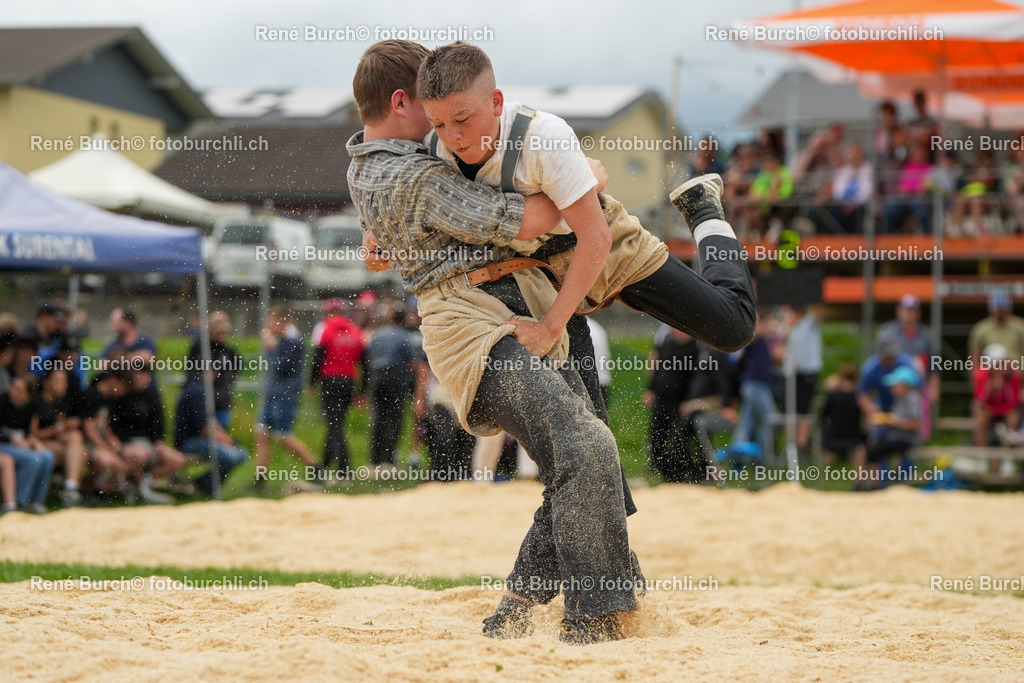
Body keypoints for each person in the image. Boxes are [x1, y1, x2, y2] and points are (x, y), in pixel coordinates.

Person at [348, 40, 753, 643]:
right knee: (591, 461)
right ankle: (564, 610)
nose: (447, 133)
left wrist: (579, 185)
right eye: (436, 120)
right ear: (411, 104)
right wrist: (580, 182)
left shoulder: (515, 138)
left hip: (595, 251)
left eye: (457, 117)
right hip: (535, 285)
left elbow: (581, 232)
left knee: (732, 327)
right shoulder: (421, 157)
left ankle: (707, 212)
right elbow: (514, 224)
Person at [255, 306, 317, 492]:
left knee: (284, 437)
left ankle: (314, 467)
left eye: (271, 321)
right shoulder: (281, 341)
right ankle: (260, 478)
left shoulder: (293, 342)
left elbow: (283, 367)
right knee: (262, 434)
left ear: (282, 322)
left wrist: (271, 348)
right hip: (271, 395)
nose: (268, 325)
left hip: (285, 397)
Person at [108, 363, 187, 504]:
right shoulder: (121, 395)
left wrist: (157, 441)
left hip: (149, 443)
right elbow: (115, 425)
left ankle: (143, 485)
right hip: (127, 443)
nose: (143, 377)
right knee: (141, 455)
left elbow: (158, 424)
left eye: (147, 374)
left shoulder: (152, 396)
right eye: (139, 373)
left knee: (178, 460)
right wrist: (124, 443)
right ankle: (131, 488)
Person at [309, 299, 365, 473]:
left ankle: (345, 468)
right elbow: (365, 362)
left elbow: (317, 358)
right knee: (336, 422)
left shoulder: (325, 329)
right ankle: (325, 464)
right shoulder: (355, 331)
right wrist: (362, 391)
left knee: (334, 424)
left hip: (330, 381)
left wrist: (311, 383)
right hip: (348, 381)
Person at [365, 308, 423, 469]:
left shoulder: (377, 334)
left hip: (376, 377)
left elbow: (367, 357)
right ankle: (389, 460)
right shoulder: (402, 335)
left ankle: (374, 459)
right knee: (394, 420)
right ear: (403, 321)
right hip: (395, 378)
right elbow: (413, 362)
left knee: (378, 419)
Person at [173, 375, 249, 495]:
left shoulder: (199, 388)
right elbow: (205, 428)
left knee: (240, 454)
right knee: (234, 456)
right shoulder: (197, 391)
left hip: (197, 440)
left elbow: (211, 422)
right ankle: (201, 486)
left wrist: (228, 440)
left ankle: (200, 485)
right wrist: (230, 442)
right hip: (189, 442)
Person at [644, 326, 701, 482]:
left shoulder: (696, 349)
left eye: (680, 330)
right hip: (662, 398)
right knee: (656, 436)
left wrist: (689, 401)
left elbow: (697, 379)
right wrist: (650, 389)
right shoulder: (667, 344)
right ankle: (662, 470)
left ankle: (682, 472)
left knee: (678, 438)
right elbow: (657, 369)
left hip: (680, 401)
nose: (677, 332)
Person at [855, 366, 922, 488]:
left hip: (905, 439)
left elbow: (915, 424)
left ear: (905, 385)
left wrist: (892, 422)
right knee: (870, 448)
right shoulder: (901, 399)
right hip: (897, 437)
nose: (892, 388)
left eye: (895, 385)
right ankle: (870, 484)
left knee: (872, 450)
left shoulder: (911, 398)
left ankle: (871, 486)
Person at [29, 368, 87, 507]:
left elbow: (60, 430)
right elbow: (33, 434)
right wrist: (61, 428)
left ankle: (70, 488)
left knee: (76, 438)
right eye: (58, 381)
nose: (63, 384)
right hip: (35, 443)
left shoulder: (60, 402)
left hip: (53, 443)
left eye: (64, 381)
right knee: (80, 454)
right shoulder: (36, 402)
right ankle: (70, 490)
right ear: (46, 383)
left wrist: (67, 427)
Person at [0, 375, 55, 513]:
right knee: (33, 459)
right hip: (4, 444)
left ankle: (36, 501)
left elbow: (27, 431)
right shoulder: (3, 400)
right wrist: (13, 440)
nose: (13, 391)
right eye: (14, 387)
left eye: (19, 390)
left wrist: (33, 441)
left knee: (47, 455)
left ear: (28, 395)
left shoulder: (31, 405)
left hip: (18, 444)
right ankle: (20, 501)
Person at [187, 311, 241, 429]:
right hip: (200, 402)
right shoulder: (199, 347)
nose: (220, 331)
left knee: (221, 436)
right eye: (217, 324)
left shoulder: (229, 352)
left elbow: (237, 370)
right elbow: (190, 371)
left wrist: (226, 385)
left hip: (221, 403)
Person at [972, 344, 1022, 447]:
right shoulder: (982, 375)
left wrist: (1002, 409)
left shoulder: (1014, 376)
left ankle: (1009, 459)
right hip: (990, 410)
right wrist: (990, 390)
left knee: (1013, 418)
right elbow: (978, 401)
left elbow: (1014, 401)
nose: (998, 368)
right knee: (980, 419)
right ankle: (982, 457)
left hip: (1006, 410)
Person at [819, 364, 865, 464]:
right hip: (854, 438)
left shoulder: (832, 396)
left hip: (831, 437)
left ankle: (829, 459)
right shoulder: (858, 397)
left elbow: (823, 416)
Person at [967, 291, 1024, 370]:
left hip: (1015, 374)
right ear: (991, 310)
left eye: (1003, 309)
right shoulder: (981, 328)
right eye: (997, 309)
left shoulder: (1020, 327)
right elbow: (974, 354)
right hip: (990, 375)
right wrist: (976, 376)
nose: (1000, 313)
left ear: (1009, 309)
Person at [827, 143, 872, 233]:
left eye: (856, 153)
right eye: (852, 153)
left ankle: (857, 240)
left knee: (858, 213)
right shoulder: (843, 170)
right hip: (843, 204)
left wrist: (853, 203)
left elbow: (867, 191)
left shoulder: (869, 169)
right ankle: (838, 237)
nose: (854, 156)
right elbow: (837, 190)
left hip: (860, 204)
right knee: (834, 209)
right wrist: (845, 203)